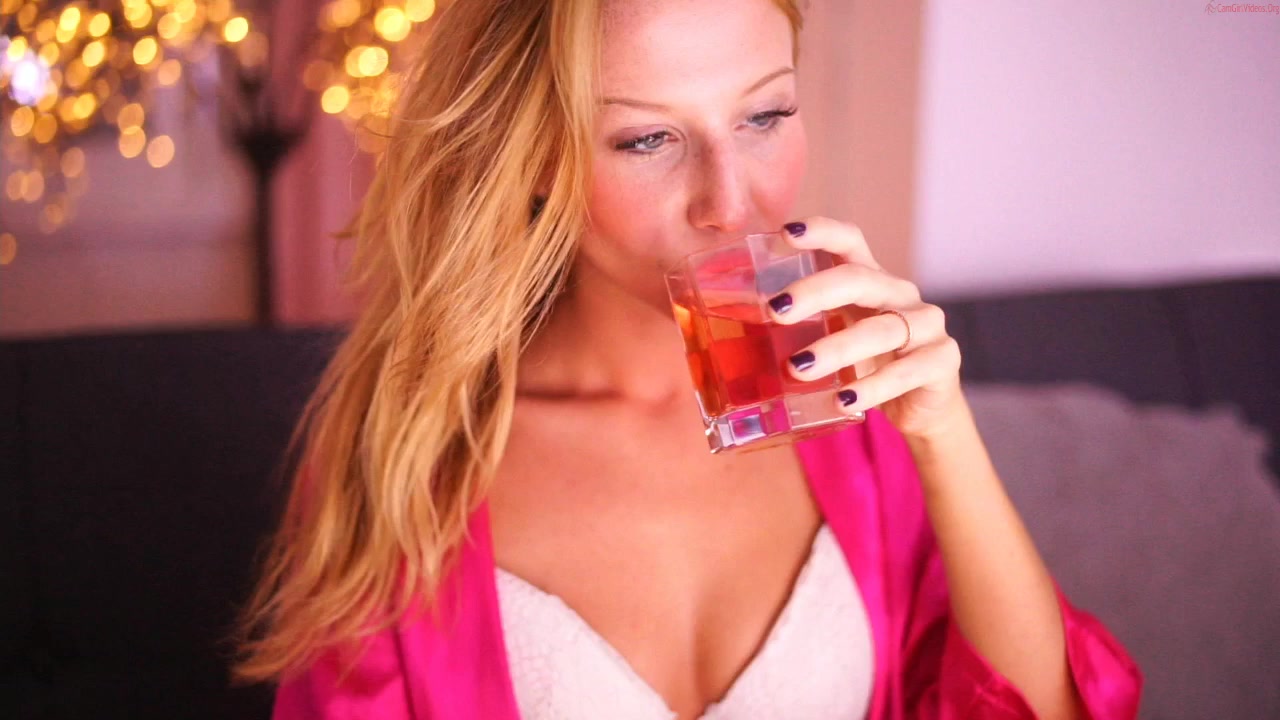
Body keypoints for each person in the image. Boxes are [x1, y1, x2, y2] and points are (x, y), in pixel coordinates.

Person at [230, 0, 1144, 718]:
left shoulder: (858, 418)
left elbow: (1040, 709)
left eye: (765, 115)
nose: (730, 201)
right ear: (534, 157)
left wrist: (946, 436)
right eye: (648, 139)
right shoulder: (408, 464)